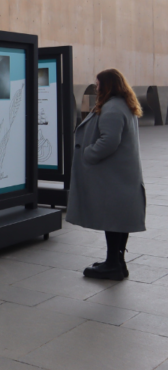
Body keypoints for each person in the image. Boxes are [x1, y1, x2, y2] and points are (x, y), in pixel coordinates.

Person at [67, 68, 146, 281]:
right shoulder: (124, 105)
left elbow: (109, 141)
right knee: (119, 220)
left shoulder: (112, 108)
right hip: (122, 175)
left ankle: (113, 264)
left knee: (112, 220)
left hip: (114, 176)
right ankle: (117, 262)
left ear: (108, 84)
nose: (97, 87)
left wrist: (88, 153)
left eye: (99, 83)